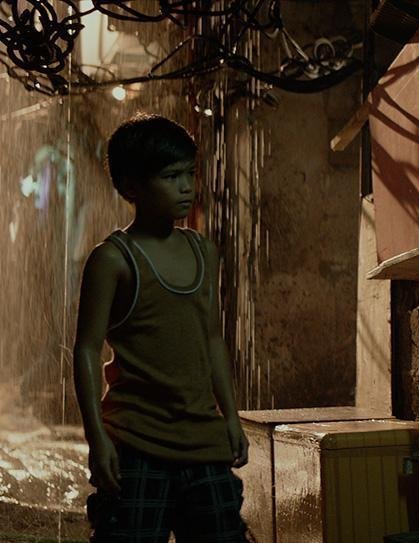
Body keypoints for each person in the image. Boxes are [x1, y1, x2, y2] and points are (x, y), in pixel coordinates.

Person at [72, 113, 250, 542]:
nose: (186, 187)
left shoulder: (203, 251)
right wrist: (97, 439)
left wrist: (231, 417)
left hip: (203, 441)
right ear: (131, 187)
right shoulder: (112, 259)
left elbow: (211, 340)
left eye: (189, 173)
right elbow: (86, 349)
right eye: (171, 177)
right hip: (136, 443)